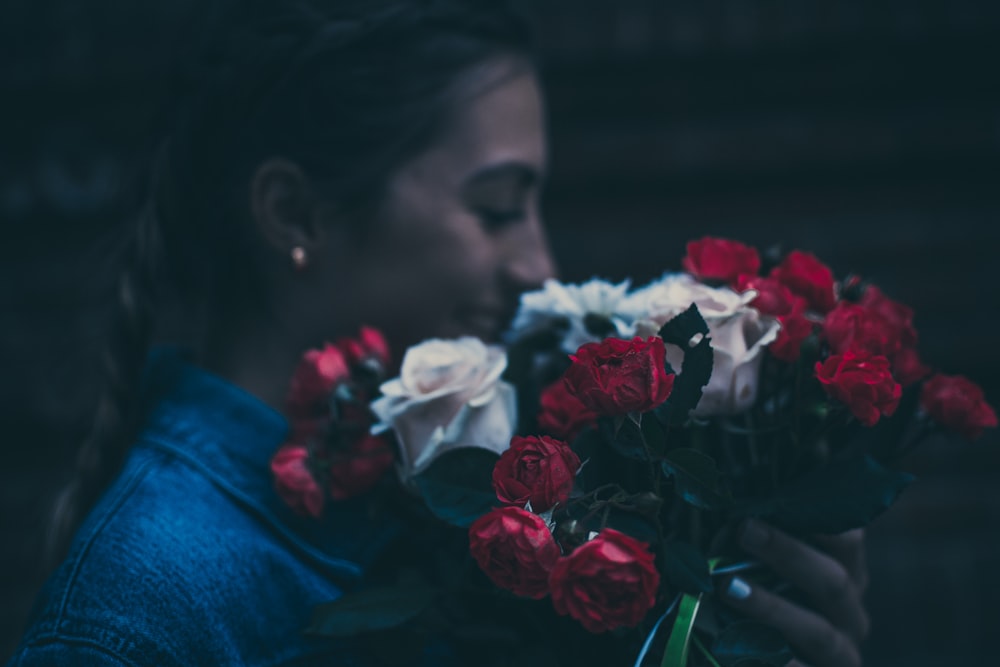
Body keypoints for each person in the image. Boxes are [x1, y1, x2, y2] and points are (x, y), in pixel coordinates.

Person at [9, 1, 868, 665]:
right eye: (496, 208)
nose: (539, 266)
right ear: (293, 212)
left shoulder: (457, 502)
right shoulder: (140, 605)